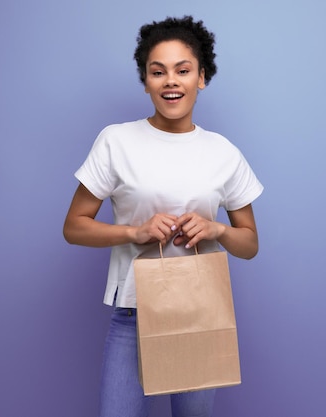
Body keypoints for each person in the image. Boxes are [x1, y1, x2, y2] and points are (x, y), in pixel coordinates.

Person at [63, 15, 263, 417]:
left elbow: (250, 244)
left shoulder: (223, 151)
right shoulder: (116, 141)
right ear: (146, 81)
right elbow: (74, 227)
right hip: (132, 314)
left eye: (182, 70)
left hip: (199, 314)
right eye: (158, 72)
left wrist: (217, 228)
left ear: (201, 77)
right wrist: (134, 232)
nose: (170, 81)